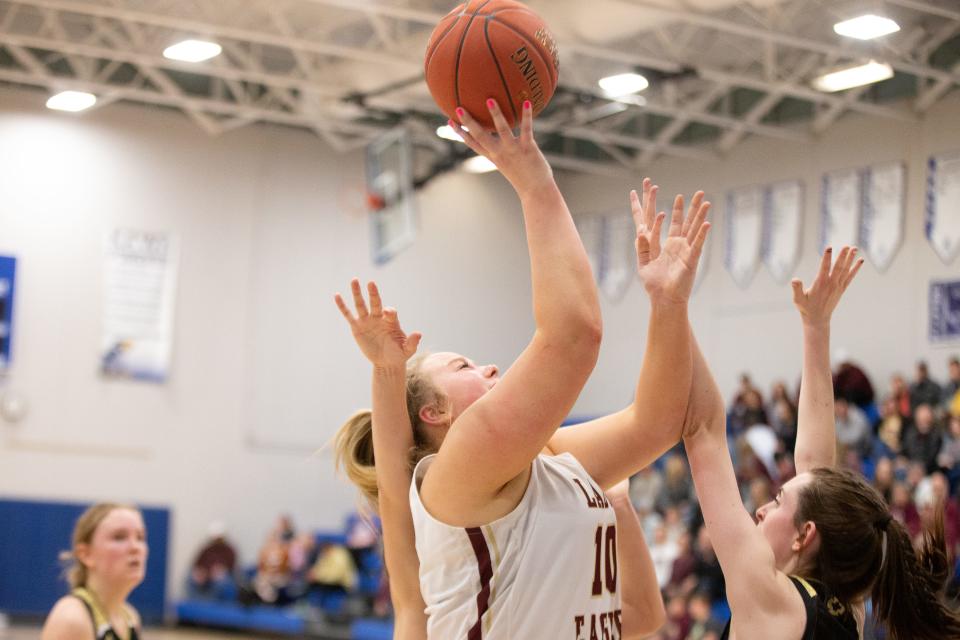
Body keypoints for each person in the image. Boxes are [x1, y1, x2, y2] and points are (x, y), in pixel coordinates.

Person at [334, 102, 707, 638]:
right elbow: (573, 337)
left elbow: (658, 422)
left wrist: (668, 307)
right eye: (463, 365)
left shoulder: (549, 455)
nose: (488, 365)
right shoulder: (457, 473)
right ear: (434, 412)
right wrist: (534, 181)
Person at [680, 246, 960, 639]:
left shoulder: (767, 596)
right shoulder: (846, 607)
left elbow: (705, 432)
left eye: (776, 501)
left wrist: (671, 302)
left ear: (804, 534)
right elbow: (814, 467)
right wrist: (816, 327)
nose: (759, 510)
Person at [41, 503, 147, 640]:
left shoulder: (131, 617)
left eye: (140, 537)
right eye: (119, 537)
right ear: (85, 554)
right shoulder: (72, 618)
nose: (135, 547)